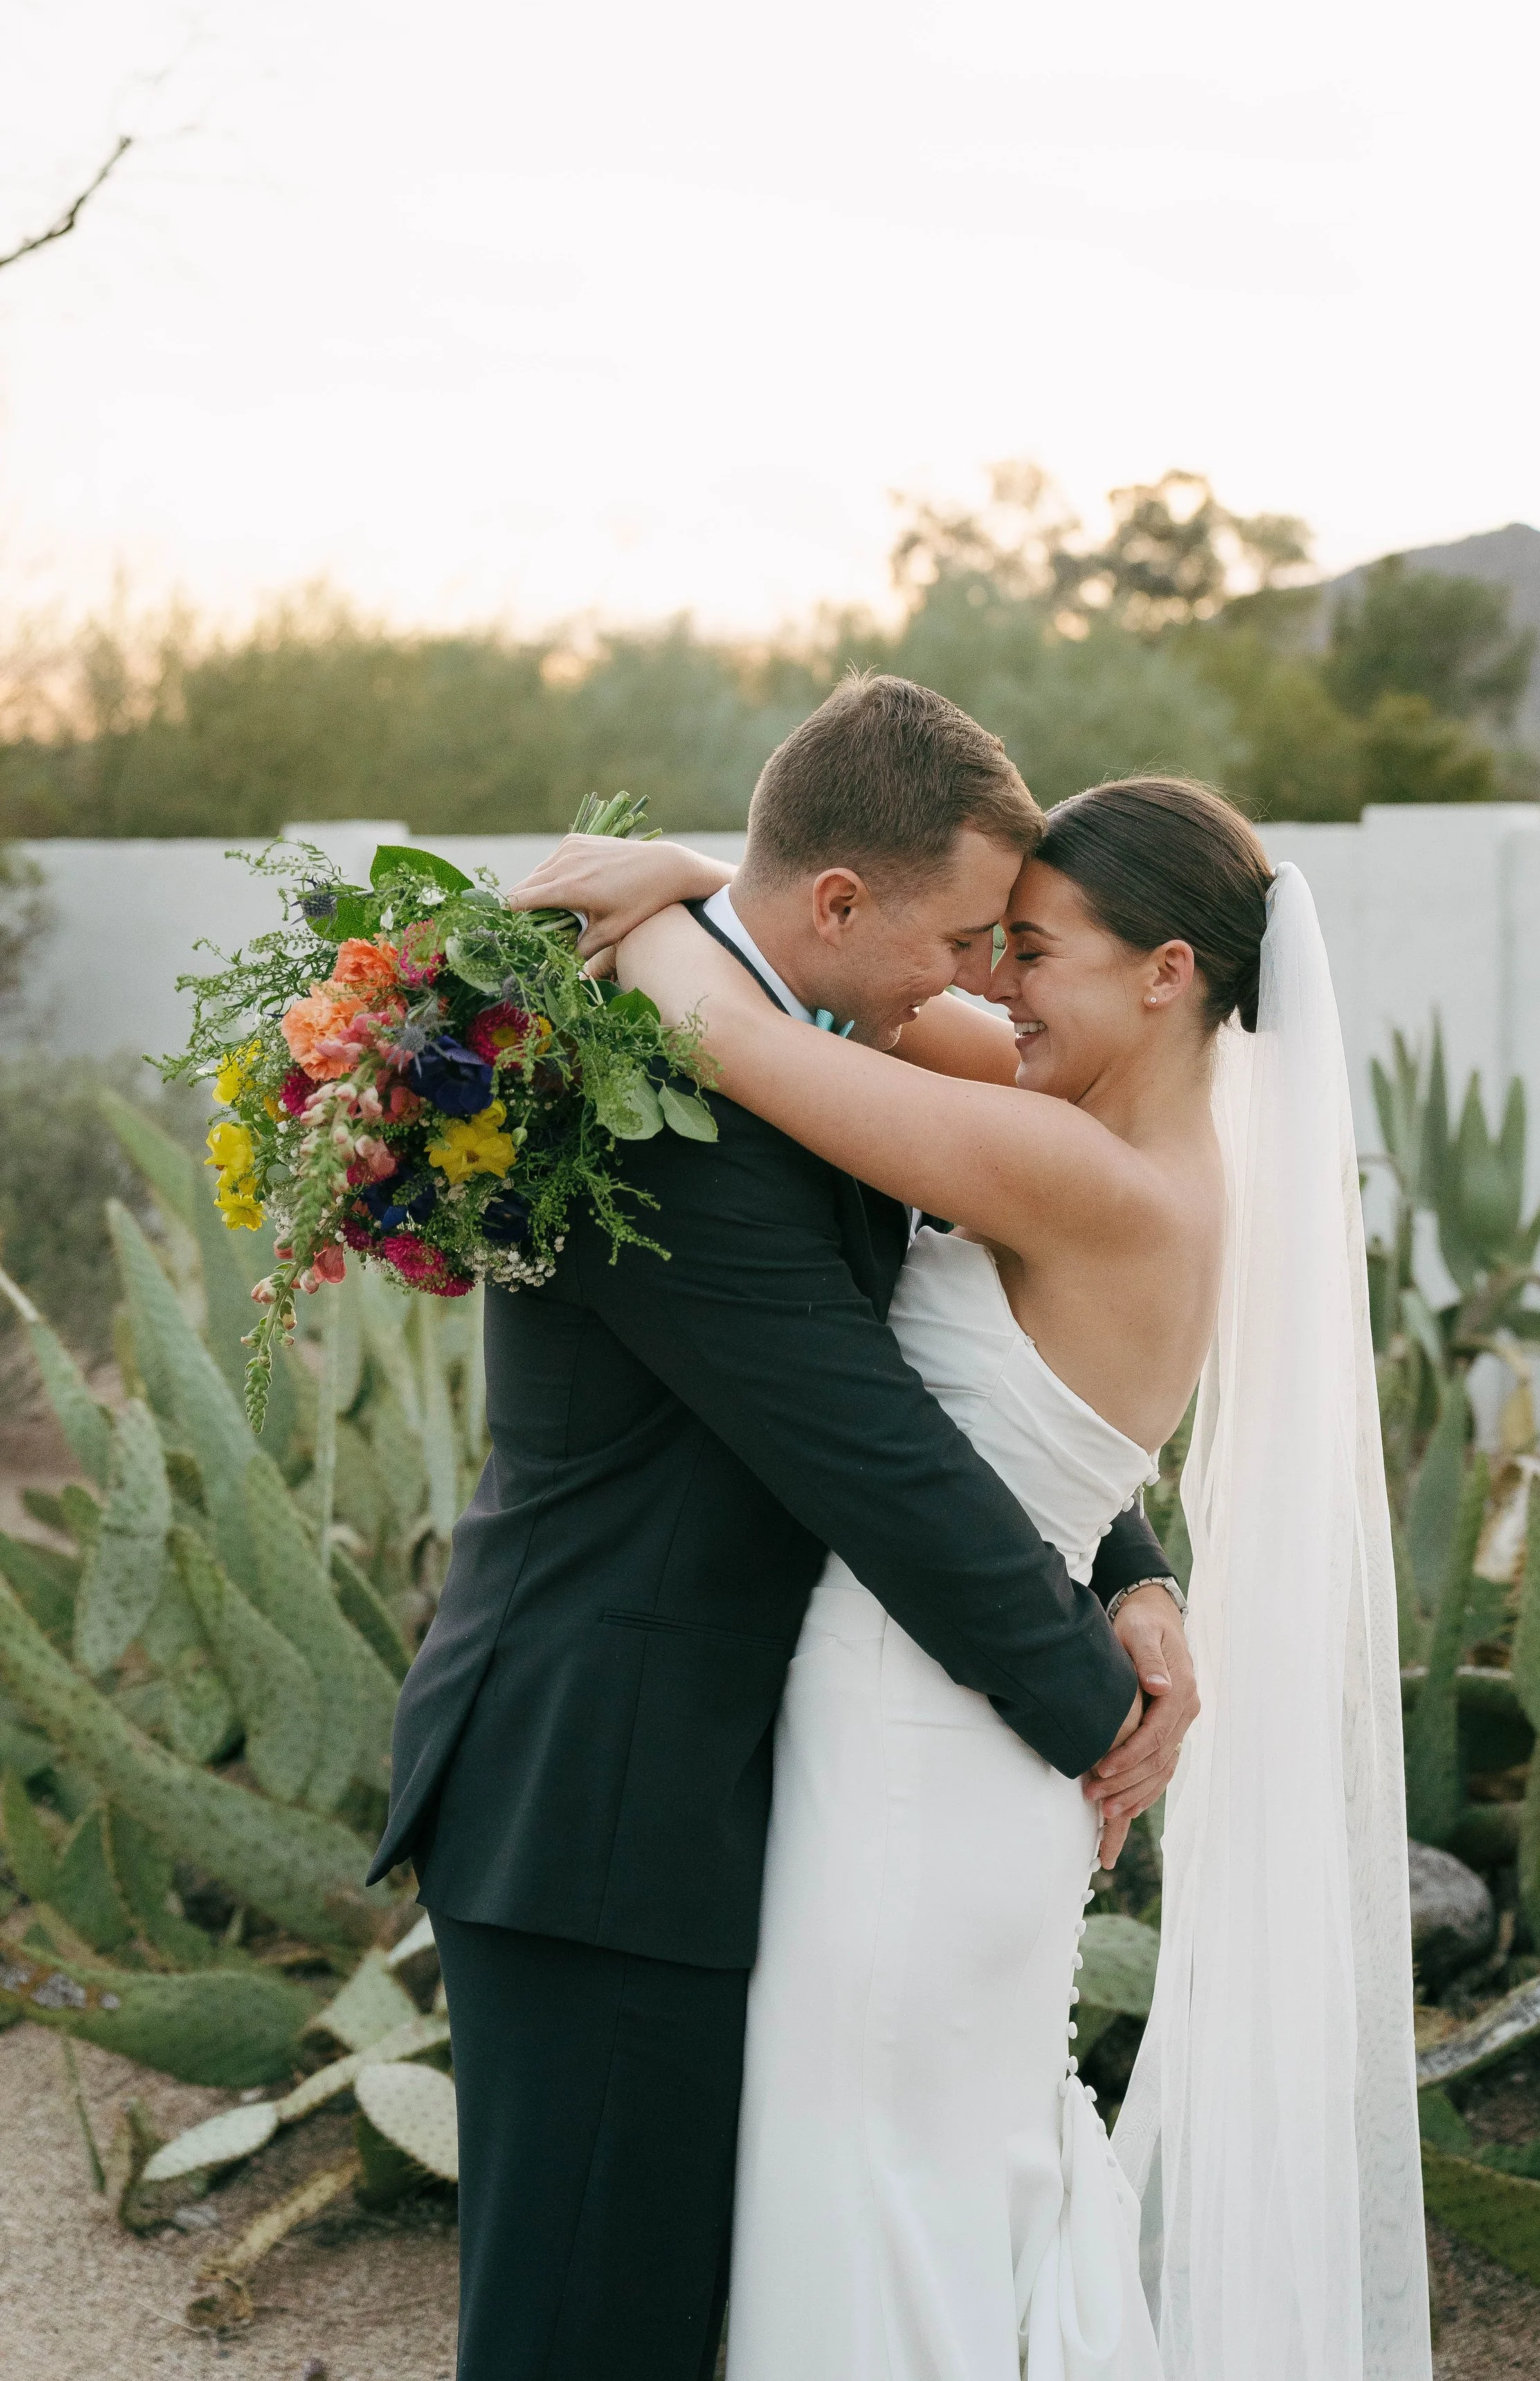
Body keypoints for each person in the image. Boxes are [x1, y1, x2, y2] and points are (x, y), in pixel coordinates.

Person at [367, 677, 1200, 2381]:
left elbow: (969, 1354)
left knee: (702, 2309)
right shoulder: (655, 1117)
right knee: (583, 2332)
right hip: (598, 1796)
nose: (977, 980)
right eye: (970, 936)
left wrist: (1126, 1561)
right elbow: (873, 1451)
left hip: (709, 1798)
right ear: (836, 903)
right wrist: (1089, 1720)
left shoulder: (814, 1044)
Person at [572, 757, 1429, 2381]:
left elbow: (730, 1032)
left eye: (1027, 950)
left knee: (874, 2219)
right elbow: (827, 971)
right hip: (950, 1751)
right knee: (933, 2203)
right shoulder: (1093, 1121)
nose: (988, 981)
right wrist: (714, 878)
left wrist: (661, 889)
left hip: (916, 1755)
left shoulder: (1086, 1179)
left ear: (1164, 973)